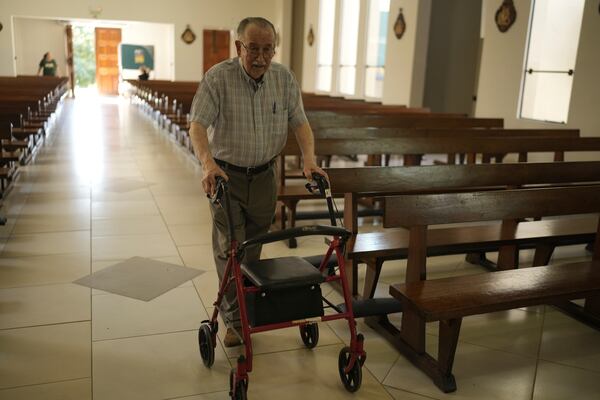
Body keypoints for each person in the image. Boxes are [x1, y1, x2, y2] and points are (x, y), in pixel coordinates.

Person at [189, 17, 326, 347]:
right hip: (226, 176)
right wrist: (207, 164)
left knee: (253, 248)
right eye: (253, 49)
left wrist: (309, 159)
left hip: (265, 176)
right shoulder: (218, 78)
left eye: (268, 49)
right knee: (231, 247)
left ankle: (248, 304)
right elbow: (197, 126)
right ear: (239, 47)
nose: (261, 57)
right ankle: (236, 321)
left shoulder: (283, 78)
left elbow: (301, 124)